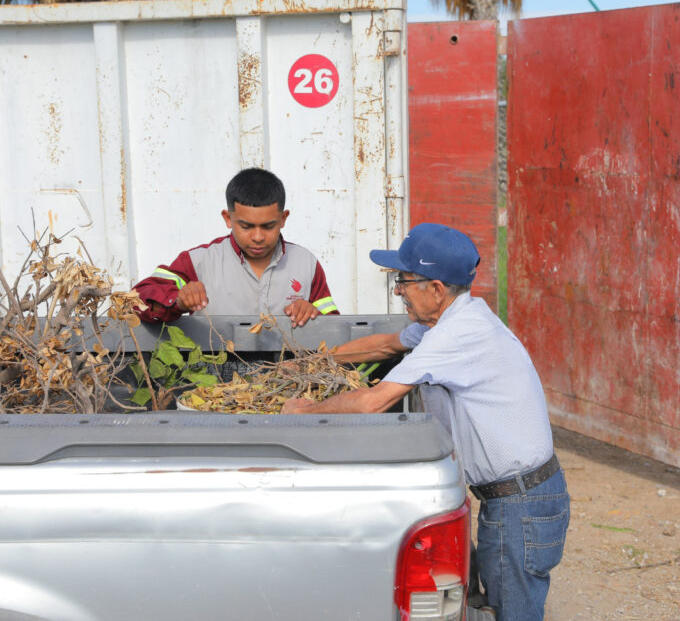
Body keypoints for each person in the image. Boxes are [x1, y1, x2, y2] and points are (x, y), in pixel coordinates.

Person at [281, 222, 569, 620]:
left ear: (435, 289)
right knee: (491, 605)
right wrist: (312, 363)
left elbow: (372, 402)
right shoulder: (453, 320)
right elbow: (385, 344)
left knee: (513, 615)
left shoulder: (457, 337)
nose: (397, 289)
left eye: (404, 280)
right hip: (517, 497)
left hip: (521, 505)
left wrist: (304, 411)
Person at [133, 168, 338, 327]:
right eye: (246, 226)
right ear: (228, 218)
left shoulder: (305, 262)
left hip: (289, 375)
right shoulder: (198, 261)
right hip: (214, 377)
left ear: (283, 219)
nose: (258, 237)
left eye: (268, 226)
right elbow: (137, 301)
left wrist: (312, 314)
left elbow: (335, 329)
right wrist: (178, 300)